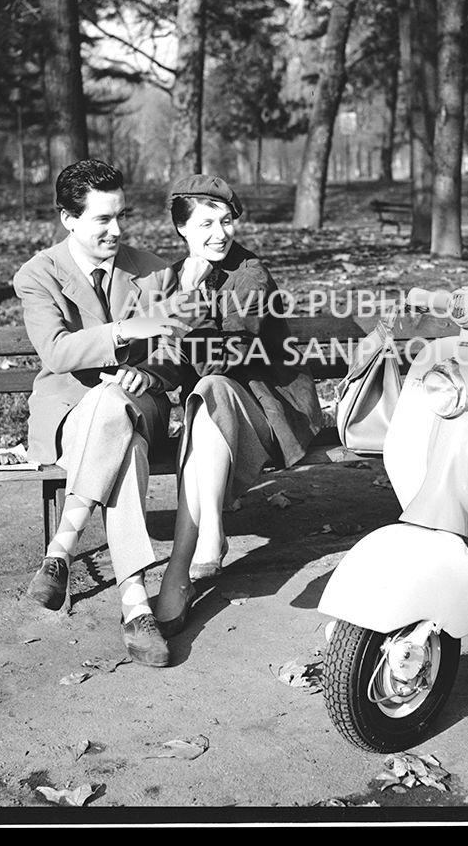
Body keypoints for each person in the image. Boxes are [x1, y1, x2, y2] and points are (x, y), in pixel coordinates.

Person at [12, 158, 189, 668]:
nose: (118, 230)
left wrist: (149, 376)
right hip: (69, 414)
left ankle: (61, 550)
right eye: (102, 220)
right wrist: (123, 334)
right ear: (68, 219)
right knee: (118, 430)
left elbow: (176, 354)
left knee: (118, 405)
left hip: (143, 405)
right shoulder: (38, 274)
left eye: (121, 216)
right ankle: (135, 604)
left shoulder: (154, 270)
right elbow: (58, 353)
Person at [147, 175, 323, 637]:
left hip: (272, 410)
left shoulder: (250, 274)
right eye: (206, 223)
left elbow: (226, 356)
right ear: (182, 229)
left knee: (213, 390)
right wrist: (146, 372)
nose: (220, 233)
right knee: (206, 401)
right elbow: (168, 357)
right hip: (210, 414)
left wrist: (187, 303)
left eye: (226, 221)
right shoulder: (168, 278)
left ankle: (197, 548)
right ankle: (200, 547)